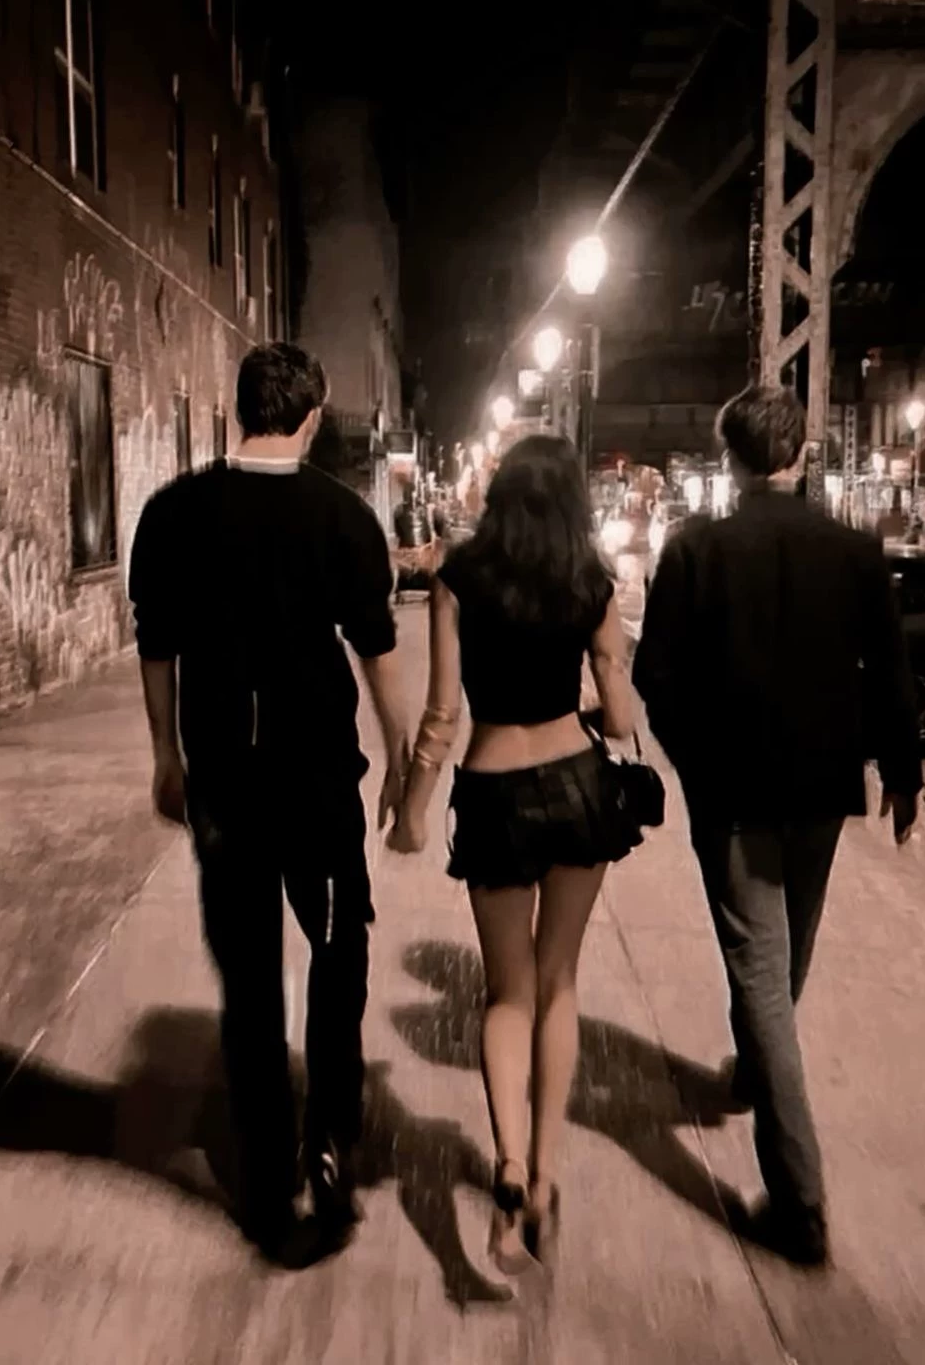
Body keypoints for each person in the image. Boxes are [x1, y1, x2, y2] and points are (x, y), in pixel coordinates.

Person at [128, 343, 410, 1263]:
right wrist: (402, 757)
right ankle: (328, 1134)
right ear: (313, 417)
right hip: (316, 784)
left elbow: (157, 645)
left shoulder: (173, 512)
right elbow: (375, 650)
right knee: (337, 950)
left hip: (225, 786)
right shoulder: (342, 517)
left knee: (249, 977)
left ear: (239, 407)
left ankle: (262, 1179)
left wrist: (165, 756)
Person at [633, 385, 922, 1268]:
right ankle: (758, 1073)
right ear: (800, 454)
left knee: (761, 973)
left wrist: (694, 763)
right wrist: (902, 775)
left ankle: (800, 1203)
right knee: (786, 953)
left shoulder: (696, 551)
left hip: (735, 796)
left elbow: (655, 678)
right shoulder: (855, 552)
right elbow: (890, 673)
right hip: (824, 791)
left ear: (731, 459)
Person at [387, 434, 641, 1274]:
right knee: (559, 982)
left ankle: (506, 1162)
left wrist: (411, 811)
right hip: (576, 787)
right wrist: (596, 702)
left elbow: (442, 714)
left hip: (493, 793)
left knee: (506, 993)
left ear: (498, 495)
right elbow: (620, 716)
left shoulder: (459, 576)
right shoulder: (590, 580)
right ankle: (546, 1172)